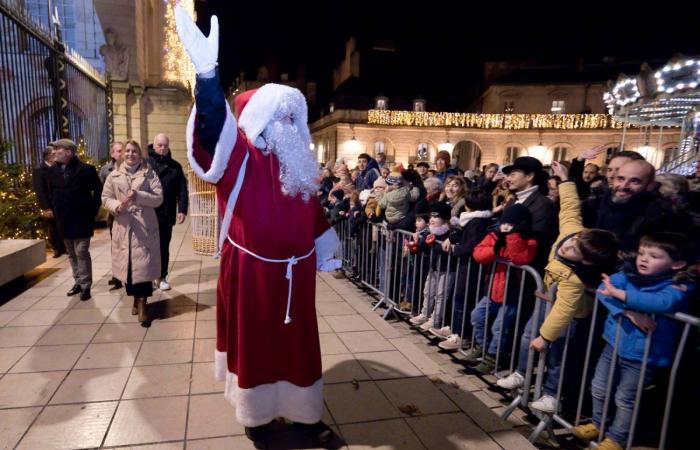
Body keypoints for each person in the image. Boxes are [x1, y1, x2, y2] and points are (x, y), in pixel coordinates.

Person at [176, 8, 341, 445]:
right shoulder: (240, 154)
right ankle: (259, 417)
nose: (290, 125)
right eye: (282, 115)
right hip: (252, 273)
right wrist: (208, 79)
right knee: (258, 347)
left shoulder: (298, 161)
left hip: (296, 274)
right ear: (263, 118)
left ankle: (304, 412)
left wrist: (325, 244)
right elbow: (212, 132)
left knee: (299, 345)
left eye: (294, 116)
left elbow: (312, 211)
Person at [497, 161, 620, 414]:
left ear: (586, 260)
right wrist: (565, 180)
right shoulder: (572, 231)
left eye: (575, 250)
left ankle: (552, 393)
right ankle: (521, 372)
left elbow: (564, 311)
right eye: (573, 242)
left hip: (569, 315)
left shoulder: (576, 279)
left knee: (556, 353)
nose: (567, 247)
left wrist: (546, 337)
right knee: (525, 338)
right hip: (546, 298)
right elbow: (571, 208)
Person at [572, 232, 694, 450]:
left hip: (645, 354)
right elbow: (603, 290)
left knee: (625, 398)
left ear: (677, 264)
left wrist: (621, 295)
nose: (644, 259)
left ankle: (617, 438)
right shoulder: (629, 274)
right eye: (642, 253)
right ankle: (598, 423)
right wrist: (628, 312)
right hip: (614, 343)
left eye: (654, 256)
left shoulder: (679, 285)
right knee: (599, 387)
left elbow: (662, 303)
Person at [102, 140, 163, 325]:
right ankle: (135, 298)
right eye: (127, 151)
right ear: (122, 154)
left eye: (134, 151)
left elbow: (159, 198)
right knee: (127, 267)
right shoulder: (113, 176)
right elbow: (106, 197)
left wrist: (139, 196)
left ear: (140, 154)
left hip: (144, 227)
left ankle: (143, 302)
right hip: (123, 226)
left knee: (143, 267)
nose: (130, 154)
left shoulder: (149, 173)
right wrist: (116, 206)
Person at [47, 138, 103, 301]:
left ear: (69, 152)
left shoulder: (86, 170)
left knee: (81, 252)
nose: (55, 152)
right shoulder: (52, 171)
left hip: (82, 219)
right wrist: (55, 210)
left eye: (59, 149)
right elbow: (51, 193)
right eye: (55, 149)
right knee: (71, 253)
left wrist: (92, 210)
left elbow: (98, 191)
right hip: (63, 219)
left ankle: (85, 285)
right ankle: (77, 281)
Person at [147, 133, 189, 291]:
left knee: (163, 246)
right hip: (148, 213)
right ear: (154, 145)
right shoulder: (145, 164)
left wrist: (182, 210)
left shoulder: (175, 166)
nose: (163, 148)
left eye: (165, 145)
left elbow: (182, 191)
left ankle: (162, 277)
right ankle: (149, 277)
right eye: (160, 145)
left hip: (166, 213)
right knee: (148, 247)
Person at [99, 141, 125, 288]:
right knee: (115, 246)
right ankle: (117, 276)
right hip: (113, 214)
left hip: (128, 212)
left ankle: (128, 274)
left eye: (122, 150)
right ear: (112, 153)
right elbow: (102, 191)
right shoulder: (105, 170)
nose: (120, 153)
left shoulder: (131, 167)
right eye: (117, 151)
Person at [33, 145, 65, 257]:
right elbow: (39, 190)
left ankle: (63, 247)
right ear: (49, 156)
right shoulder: (39, 169)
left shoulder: (58, 167)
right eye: (54, 153)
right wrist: (46, 207)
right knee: (52, 227)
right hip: (49, 203)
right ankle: (56, 248)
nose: (57, 155)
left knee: (61, 224)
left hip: (59, 202)